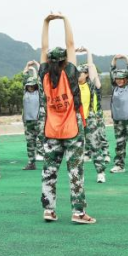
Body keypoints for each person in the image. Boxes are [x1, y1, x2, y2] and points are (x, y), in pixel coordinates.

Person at [39, 13, 93, 224]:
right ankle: (78, 213)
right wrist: (64, 19)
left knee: (49, 171)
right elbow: (70, 43)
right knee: (75, 171)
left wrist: (46, 22)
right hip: (72, 129)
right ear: (64, 61)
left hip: (51, 130)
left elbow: (44, 47)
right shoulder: (70, 72)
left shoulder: (43, 75)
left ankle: (49, 210)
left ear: (49, 61)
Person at [76, 48, 109, 183]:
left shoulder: (90, 85)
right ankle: (77, 176)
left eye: (80, 73)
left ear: (86, 75)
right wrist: (72, 53)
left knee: (95, 146)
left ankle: (100, 172)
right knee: (76, 149)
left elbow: (90, 66)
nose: (77, 75)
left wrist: (87, 52)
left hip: (89, 119)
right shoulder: (72, 85)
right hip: (76, 119)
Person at [21, 61, 44, 171]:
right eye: (28, 85)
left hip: (38, 121)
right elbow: (24, 77)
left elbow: (41, 79)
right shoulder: (25, 93)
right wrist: (27, 66)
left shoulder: (39, 93)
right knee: (30, 143)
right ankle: (31, 163)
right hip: (28, 122)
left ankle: (49, 162)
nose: (30, 87)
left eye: (32, 85)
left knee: (43, 141)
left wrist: (38, 66)